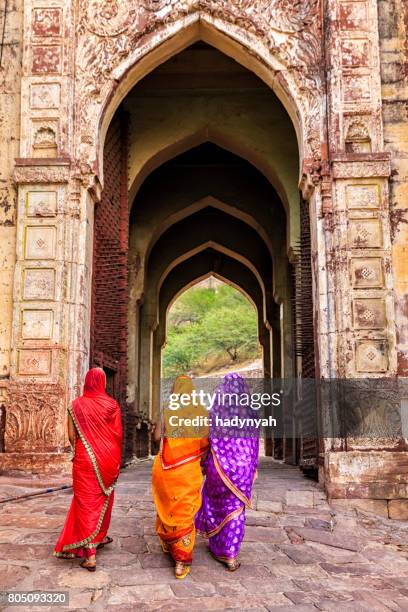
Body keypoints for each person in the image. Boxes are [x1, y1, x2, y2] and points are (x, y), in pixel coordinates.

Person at [54, 367, 122, 571]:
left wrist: (83, 448)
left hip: (85, 459)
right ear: (103, 383)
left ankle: (90, 554)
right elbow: (117, 434)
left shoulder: (76, 405)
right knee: (102, 498)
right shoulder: (112, 404)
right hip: (108, 459)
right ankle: (98, 537)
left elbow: (72, 436)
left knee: (86, 503)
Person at [195, 372, 259, 571]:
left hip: (219, 469)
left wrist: (203, 465)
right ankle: (230, 554)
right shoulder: (251, 413)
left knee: (215, 505)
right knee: (236, 509)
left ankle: (218, 546)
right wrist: (253, 467)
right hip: (243, 471)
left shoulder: (214, 412)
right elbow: (255, 445)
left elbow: (206, 441)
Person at [152, 375, 209, 579]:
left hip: (166, 468)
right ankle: (181, 559)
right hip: (189, 471)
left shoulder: (168, 410)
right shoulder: (201, 413)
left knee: (167, 507)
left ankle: (169, 543)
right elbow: (206, 446)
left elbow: (157, 438)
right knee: (185, 512)